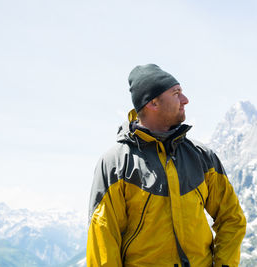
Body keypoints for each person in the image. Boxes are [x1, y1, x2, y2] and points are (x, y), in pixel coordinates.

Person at [87, 64, 246, 267]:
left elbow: (232, 218)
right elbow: (103, 237)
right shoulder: (116, 163)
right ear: (153, 103)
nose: (185, 100)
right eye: (176, 93)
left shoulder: (202, 157)